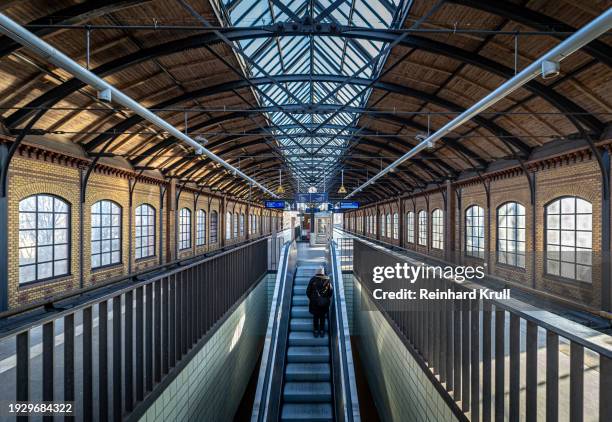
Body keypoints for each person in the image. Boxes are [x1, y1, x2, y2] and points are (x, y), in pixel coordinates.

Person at [306, 266, 333, 338]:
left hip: (314, 303)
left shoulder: (313, 280)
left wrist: (312, 298)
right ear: (323, 272)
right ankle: (321, 331)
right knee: (322, 317)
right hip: (324, 304)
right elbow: (330, 292)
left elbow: (308, 292)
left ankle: (315, 331)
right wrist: (325, 299)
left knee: (315, 317)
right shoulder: (327, 280)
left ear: (316, 272)